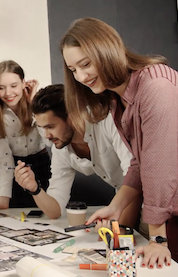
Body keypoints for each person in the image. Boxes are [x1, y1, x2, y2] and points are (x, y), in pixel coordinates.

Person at [61, 18, 178, 275]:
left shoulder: (155, 87)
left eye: (86, 64)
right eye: (73, 69)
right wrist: (116, 206)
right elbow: (140, 161)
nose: (81, 77)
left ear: (108, 50)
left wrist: (158, 239)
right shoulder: (116, 99)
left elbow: (159, 167)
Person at [14, 84, 141, 228]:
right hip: (124, 205)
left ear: (72, 117)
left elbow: (135, 174)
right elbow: (55, 210)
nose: (46, 136)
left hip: (151, 202)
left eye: (51, 127)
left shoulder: (106, 121)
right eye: (43, 128)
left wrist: (122, 227)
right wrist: (34, 188)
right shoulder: (61, 148)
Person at [0, 60, 48, 209]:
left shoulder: (37, 104)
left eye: (14, 86)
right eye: (1, 88)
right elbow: (4, 160)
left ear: (23, 83)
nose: (8, 93)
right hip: (16, 170)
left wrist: (34, 105)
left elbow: (51, 141)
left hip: (43, 166)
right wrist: (4, 200)